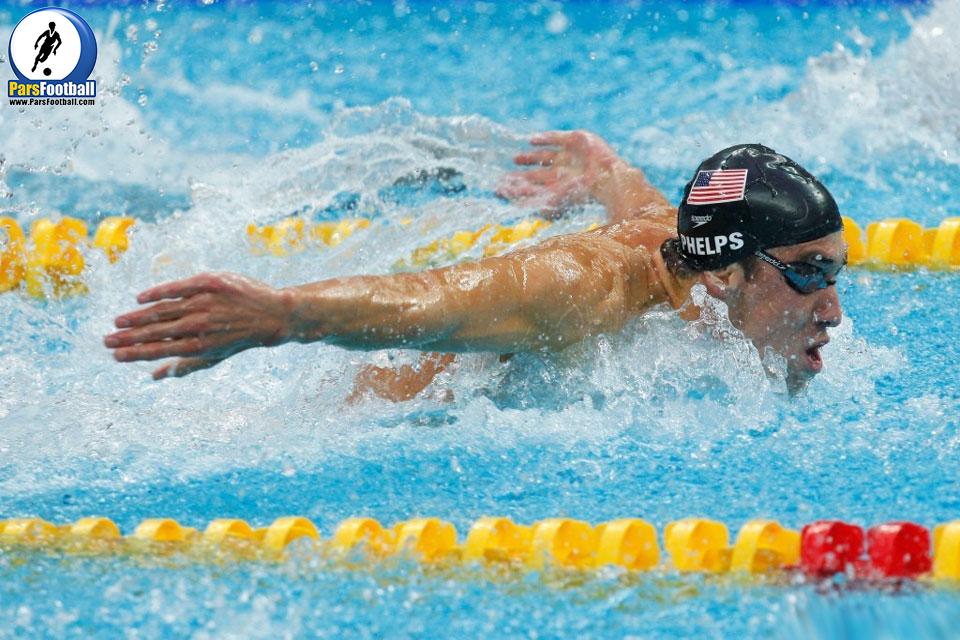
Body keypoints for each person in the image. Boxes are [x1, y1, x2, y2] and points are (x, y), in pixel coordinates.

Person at [104, 132, 846, 395]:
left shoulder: (685, 247)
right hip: (384, 418)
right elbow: (436, 299)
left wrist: (601, 168)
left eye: (836, 273)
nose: (834, 310)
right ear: (727, 274)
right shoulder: (586, 286)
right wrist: (284, 316)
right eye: (809, 273)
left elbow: (643, 203)